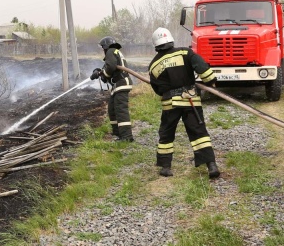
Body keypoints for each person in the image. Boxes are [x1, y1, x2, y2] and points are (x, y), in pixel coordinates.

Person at [148, 27, 220, 179]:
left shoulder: (153, 65)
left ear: (156, 45)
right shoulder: (185, 53)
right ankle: (211, 165)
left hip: (169, 104)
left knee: (166, 134)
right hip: (190, 100)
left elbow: (158, 89)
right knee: (199, 132)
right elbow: (202, 68)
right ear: (171, 40)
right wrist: (211, 81)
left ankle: (165, 167)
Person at [90, 36, 134, 142]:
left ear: (105, 46)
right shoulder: (115, 52)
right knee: (112, 109)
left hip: (121, 83)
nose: (103, 50)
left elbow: (110, 68)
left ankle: (127, 137)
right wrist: (100, 73)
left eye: (102, 48)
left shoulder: (111, 50)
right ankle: (118, 133)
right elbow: (108, 74)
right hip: (117, 85)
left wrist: (101, 72)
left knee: (120, 110)